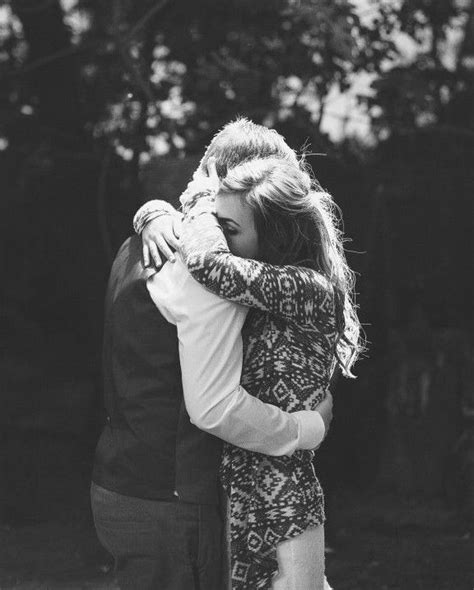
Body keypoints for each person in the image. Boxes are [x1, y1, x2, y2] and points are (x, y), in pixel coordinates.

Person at [91, 118, 334, 590]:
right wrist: (307, 428)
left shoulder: (137, 246)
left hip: (117, 485)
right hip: (172, 502)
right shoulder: (213, 278)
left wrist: (155, 211)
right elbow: (215, 407)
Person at [136, 150, 362, 589]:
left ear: (278, 237)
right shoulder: (255, 290)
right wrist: (154, 214)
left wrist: (198, 200)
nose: (215, 236)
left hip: (284, 502)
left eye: (229, 229)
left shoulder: (309, 289)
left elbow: (206, 263)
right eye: (216, 225)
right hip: (238, 494)